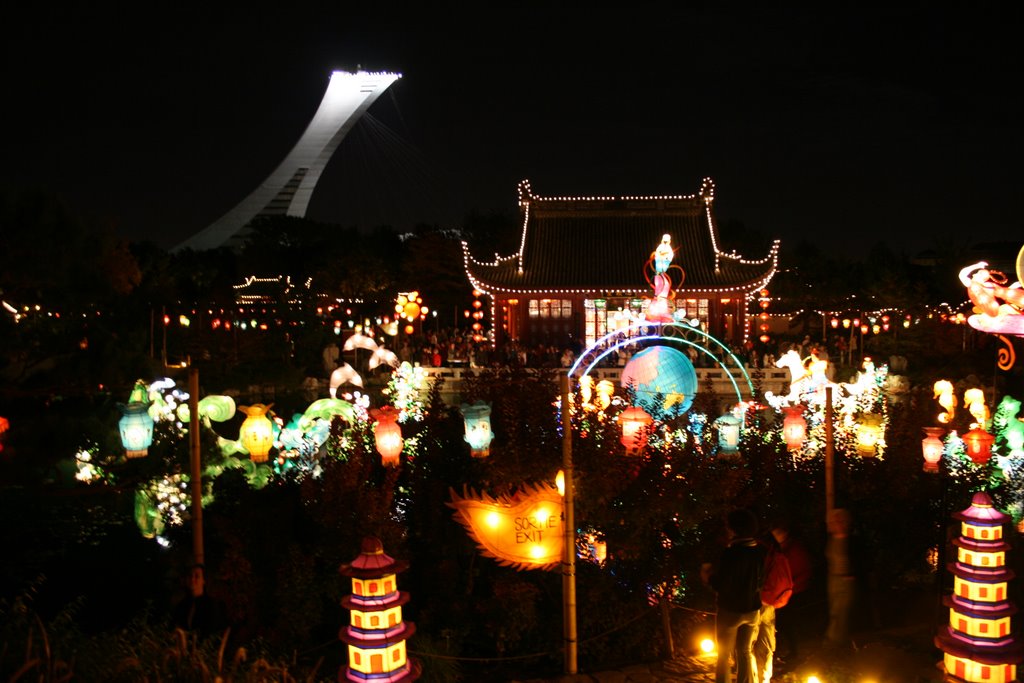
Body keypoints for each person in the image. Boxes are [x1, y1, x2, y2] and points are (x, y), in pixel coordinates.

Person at [708, 509, 766, 683]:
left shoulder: (731, 553)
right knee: (745, 651)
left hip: (731, 610)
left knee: (724, 655)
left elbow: (722, 584)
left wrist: (708, 577)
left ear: (734, 529)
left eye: (728, 526)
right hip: (753, 609)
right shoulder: (759, 551)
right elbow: (760, 580)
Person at [752, 532, 793, 683]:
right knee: (766, 644)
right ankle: (764, 679)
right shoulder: (773, 551)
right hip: (771, 602)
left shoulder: (753, 550)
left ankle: (753, 678)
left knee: (749, 644)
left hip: (757, 602)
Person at [770, 522, 813, 661]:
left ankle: (793, 652)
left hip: (794, 592)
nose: (776, 536)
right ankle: (784, 650)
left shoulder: (794, 549)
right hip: (783, 592)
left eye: (778, 533)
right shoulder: (781, 549)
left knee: (788, 623)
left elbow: (802, 570)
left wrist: (791, 587)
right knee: (781, 622)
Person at [825, 508, 856, 648]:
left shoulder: (851, 541)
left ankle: (838, 641)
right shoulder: (830, 540)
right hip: (833, 578)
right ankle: (835, 641)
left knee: (842, 610)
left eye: (840, 521)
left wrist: (851, 575)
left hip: (846, 580)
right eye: (834, 521)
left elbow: (857, 559)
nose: (837, 524)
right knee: (834, 610)